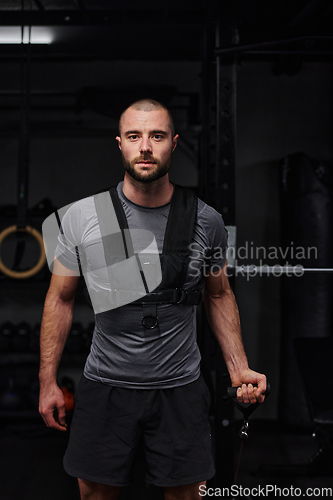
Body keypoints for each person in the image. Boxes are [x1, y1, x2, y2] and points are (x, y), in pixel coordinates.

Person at [39, 98, 267, 500]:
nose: (145, 146)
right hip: (105, 384)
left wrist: (239, 368)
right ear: (121, 144)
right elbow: (59, 299)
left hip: (179, 387)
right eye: (134, 136)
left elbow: (219, 294)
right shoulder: (81, 218)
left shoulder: (206, 220)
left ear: (174, 144)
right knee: (94, 494)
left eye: (156, 136)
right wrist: (47, 382)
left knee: (186, 495)